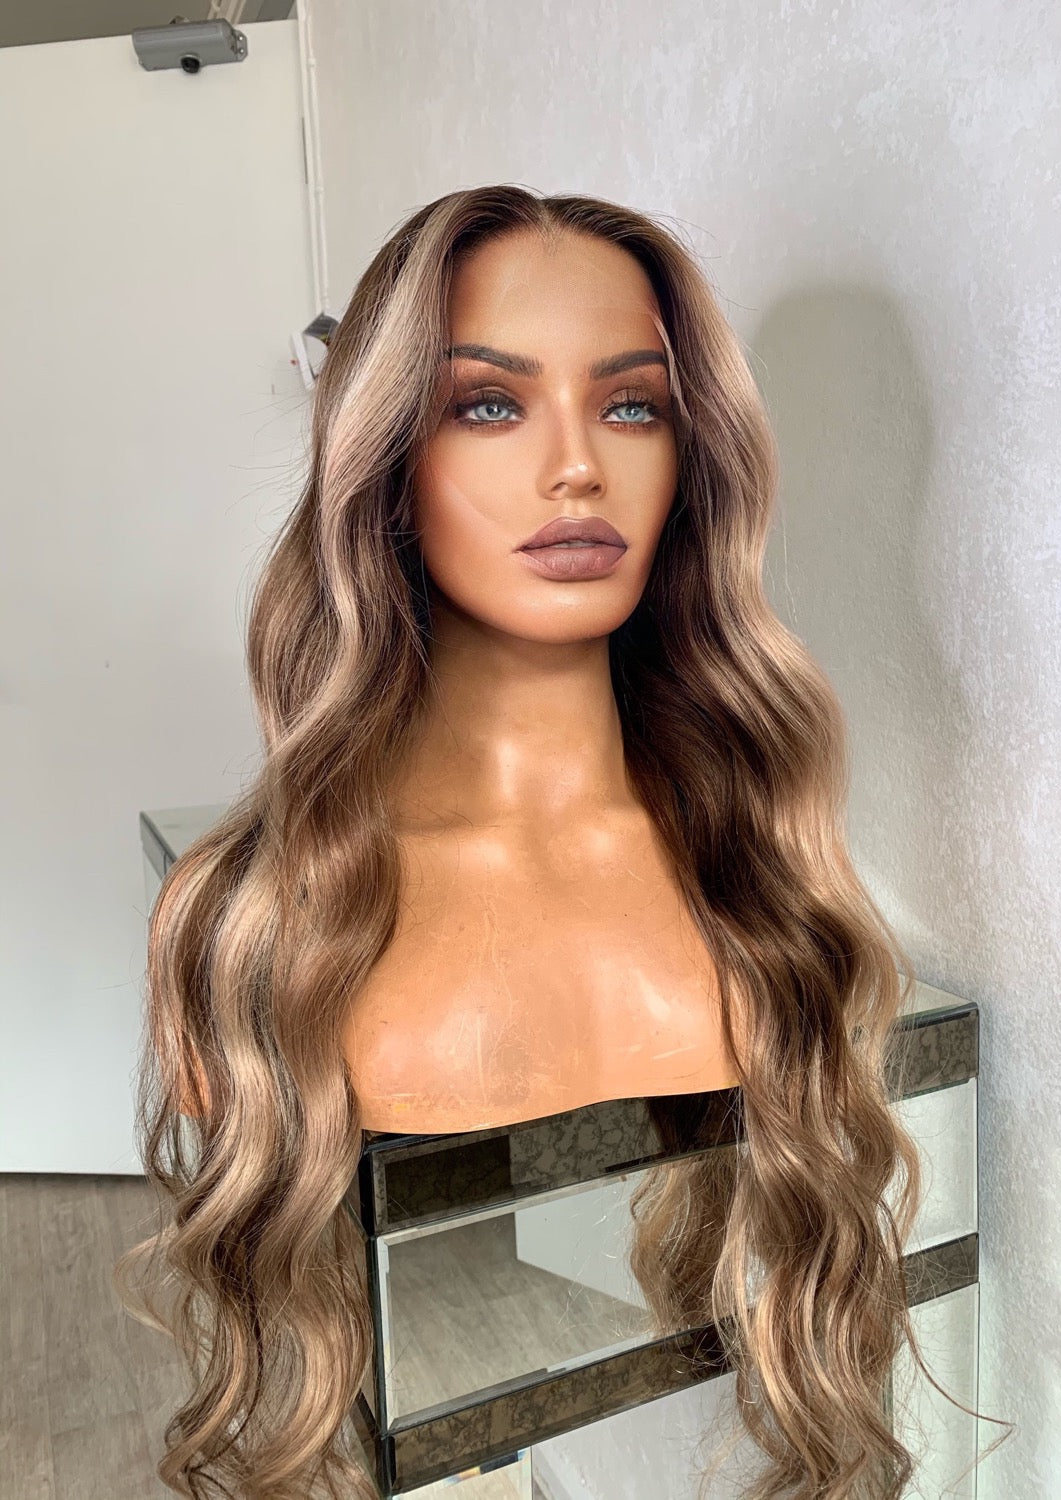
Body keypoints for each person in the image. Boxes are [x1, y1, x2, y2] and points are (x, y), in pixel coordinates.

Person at [118, 185, 938, 1500]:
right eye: (490, 404)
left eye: (632, 406)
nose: (576, 466)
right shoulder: (251, 918)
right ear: (385, 456)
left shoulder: (766, 879)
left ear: (691, 457)